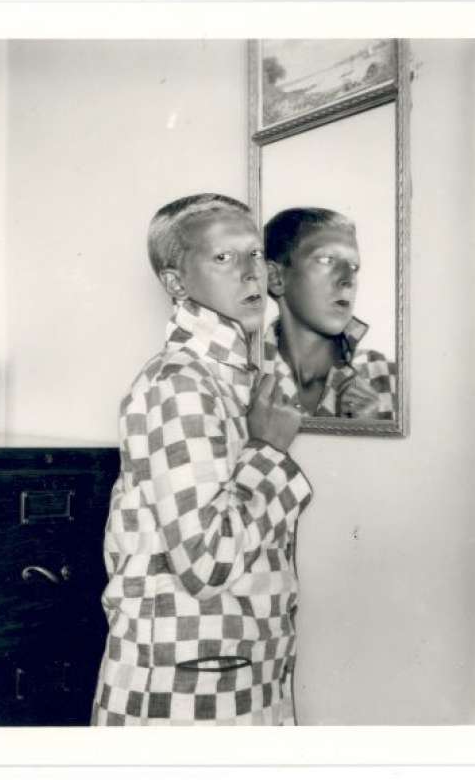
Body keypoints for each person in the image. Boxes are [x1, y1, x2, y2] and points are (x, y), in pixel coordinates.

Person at [91, 193, 312, 726]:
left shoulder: (231, 378)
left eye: (255, 254)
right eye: (223, 258)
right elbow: (206, 563)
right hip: (183, 689)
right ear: (174, 283)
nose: (250, 272)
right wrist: (269, 451)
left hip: (238, 673)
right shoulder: (179, 385)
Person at [263, 207, 396, 420]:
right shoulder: (239, 380)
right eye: (326, 260)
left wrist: (373, 432)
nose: (348, 279)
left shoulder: (392, 380)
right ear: (275, 278)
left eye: (353, 267)